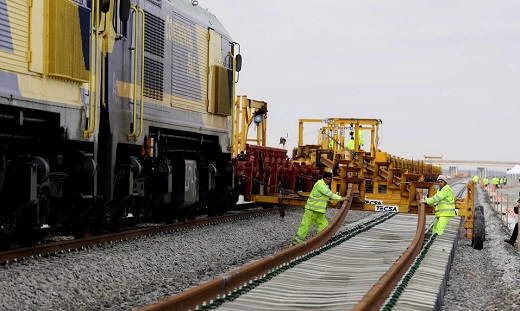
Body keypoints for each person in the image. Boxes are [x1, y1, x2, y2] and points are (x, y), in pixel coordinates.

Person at [293, 172, 348, 244]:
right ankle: (297, 242)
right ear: (323, 178)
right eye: (327, 179)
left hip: (318, 211)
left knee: (324, 225)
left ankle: (320, 240)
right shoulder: (320, 185)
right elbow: (329, 194)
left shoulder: (324, 185)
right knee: (306, 226)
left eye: (329, 179)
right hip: (311, 210)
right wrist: (341, 198)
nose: (328, 180)